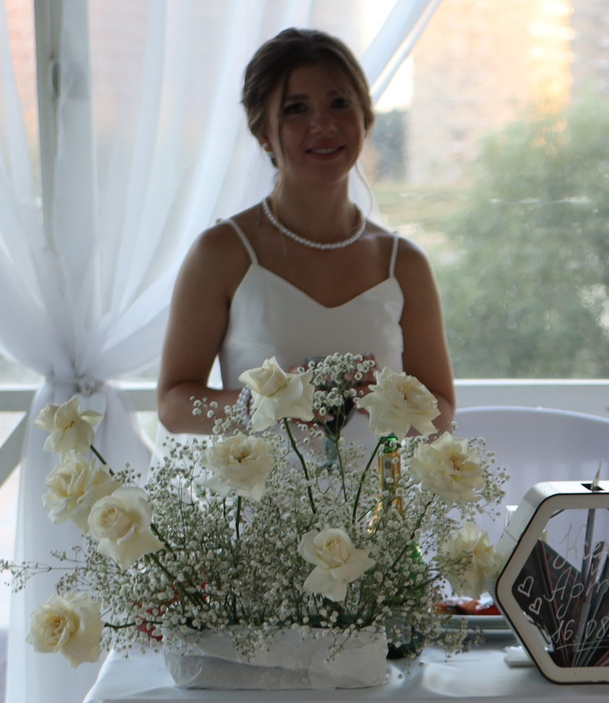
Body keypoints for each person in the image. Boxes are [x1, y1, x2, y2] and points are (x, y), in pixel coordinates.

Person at [158, 28, 457, 435]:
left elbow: (441, 412)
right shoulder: (222, 253)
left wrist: (387, 397)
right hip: (258, 498)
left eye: (339, 103)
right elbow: (173, 406)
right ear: (264, 132)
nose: (323, 124)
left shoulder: (403, 263)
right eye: (297, 109)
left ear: (365, 119)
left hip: (377, 499)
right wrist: (268, 402)